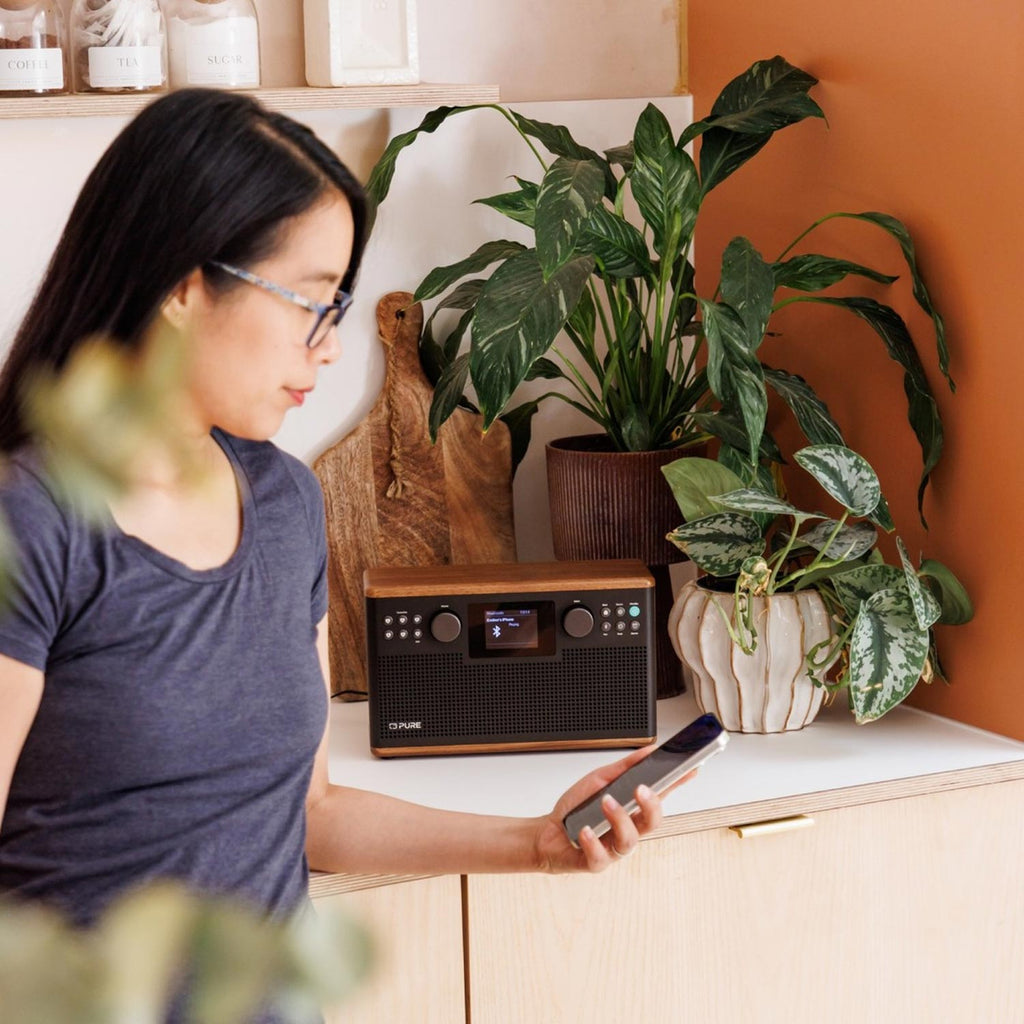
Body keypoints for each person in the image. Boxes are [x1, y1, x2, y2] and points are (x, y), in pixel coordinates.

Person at [0, 88, 691, 977]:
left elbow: (311, 812)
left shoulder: (286, 503)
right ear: (182, 284)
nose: (330, 348)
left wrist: (539, 842)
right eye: (311, 301)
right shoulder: (35, 521)